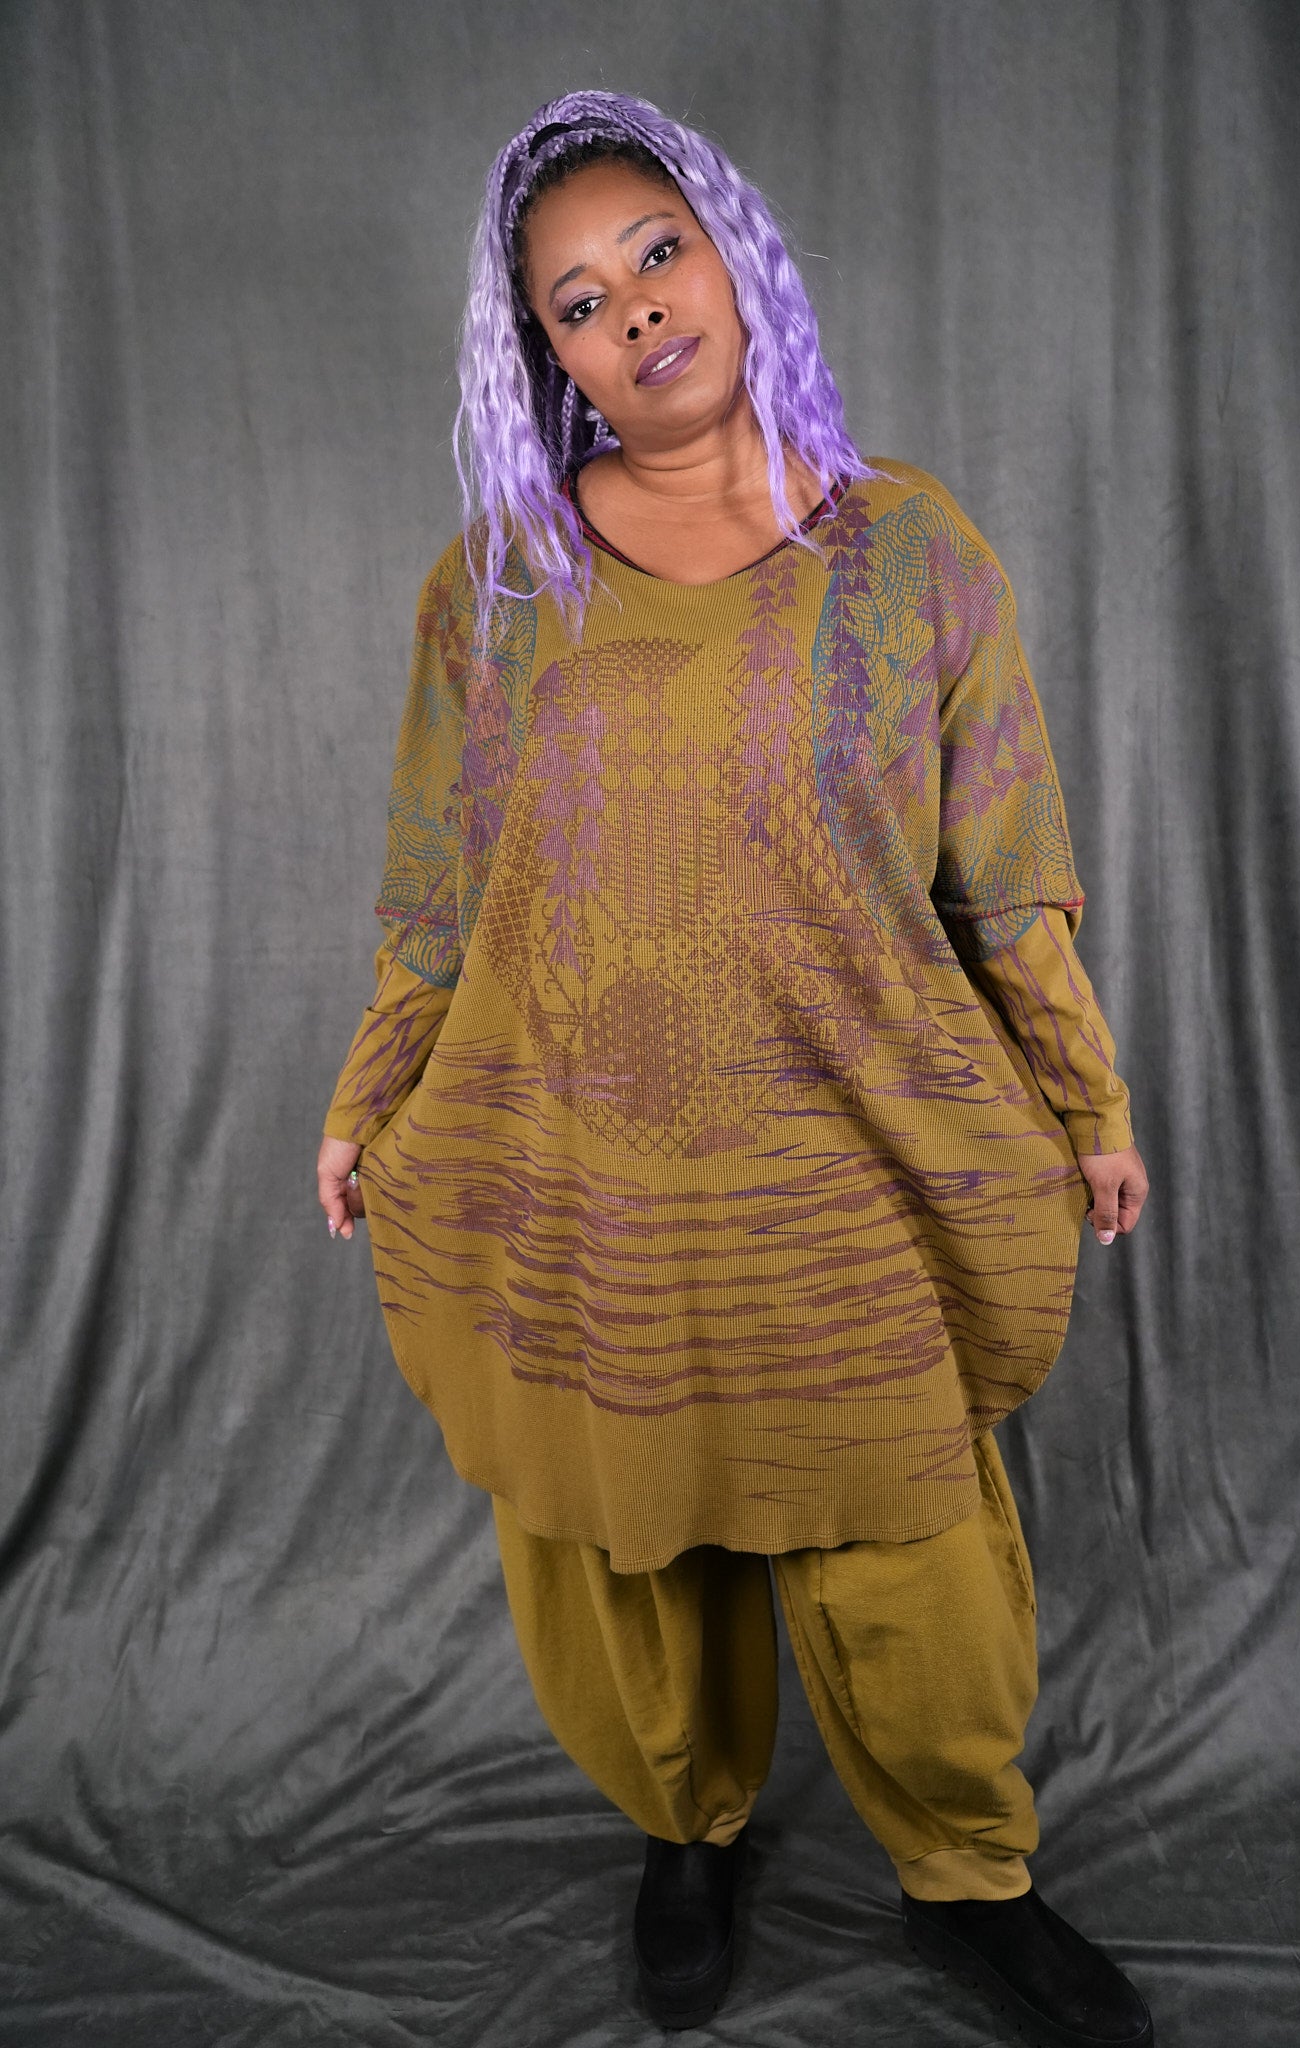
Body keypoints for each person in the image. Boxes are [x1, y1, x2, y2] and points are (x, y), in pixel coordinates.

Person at [316, 89, 1153, 2044]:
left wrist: (1086, 1098)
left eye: (654, 254)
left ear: (729, 250)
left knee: (906, 1548)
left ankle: (967, 1869)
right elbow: (435, 897)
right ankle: (684, 1830)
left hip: (845, 1164)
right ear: (551, 357)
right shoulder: (494, 592)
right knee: (632, 1538)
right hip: (584, 1167)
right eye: (576, 301)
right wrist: (367, 1096)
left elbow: (1005, 875)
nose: (631, 310)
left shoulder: (909, 552)